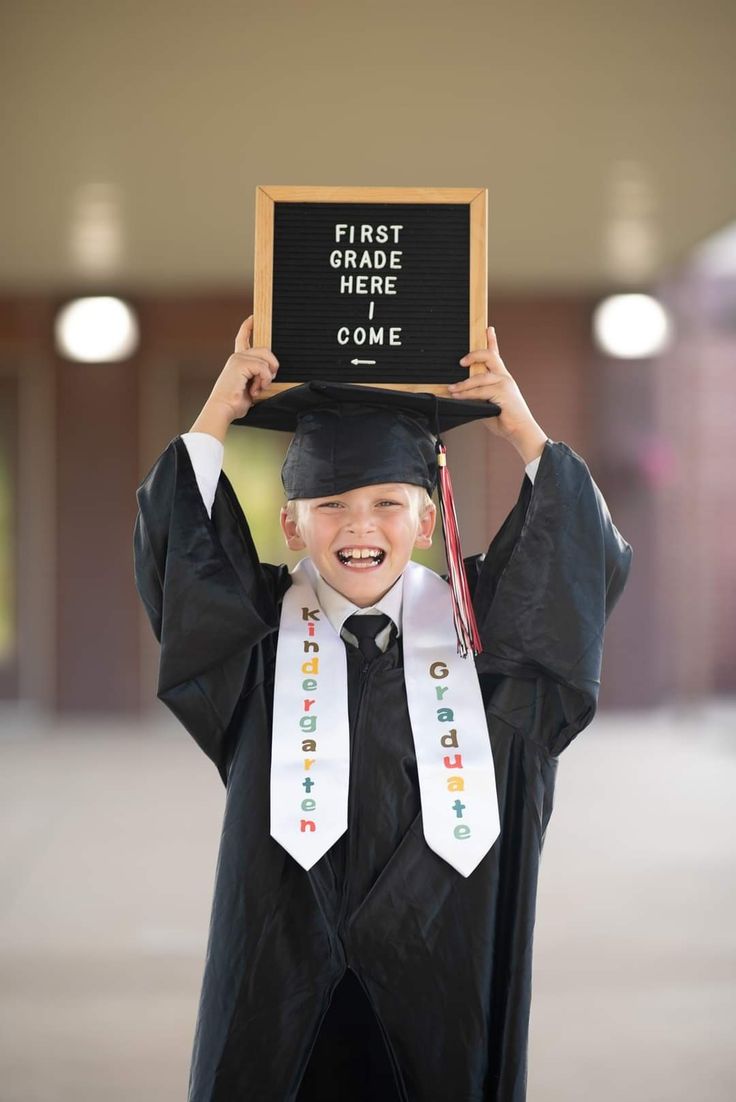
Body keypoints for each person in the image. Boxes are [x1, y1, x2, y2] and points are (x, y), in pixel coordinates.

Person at [133, 315, 632, 1102]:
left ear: (427, 521)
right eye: (328, 504)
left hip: (444, 971)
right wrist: (217, 413)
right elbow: (181, 560)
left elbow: (572, 570)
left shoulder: (486, 640)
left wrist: (523, 429)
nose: (360, 525)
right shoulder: (254, 642)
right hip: (281, 975)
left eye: (388, 503)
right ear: (291, 522)